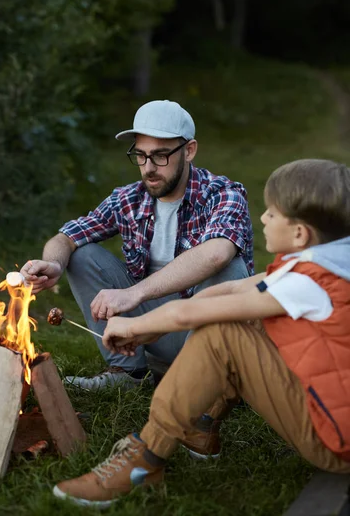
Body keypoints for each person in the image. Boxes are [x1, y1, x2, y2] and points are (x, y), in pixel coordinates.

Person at [52, 158, 350, 508]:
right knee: (234, 321)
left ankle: (146, 459)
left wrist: (134, 325)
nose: (264, 218)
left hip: (334, 441)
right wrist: (154, 328)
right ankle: (200, 426)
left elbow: (191, 312)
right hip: (333, 414)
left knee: (222, 333)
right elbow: (227, 293)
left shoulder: (310, 283)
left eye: (272, 213)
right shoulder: (331, 261)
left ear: (300, 233)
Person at [21, 100, 253, 390]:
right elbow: (67, 236)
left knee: (230, 266)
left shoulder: (223, 193)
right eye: (140, 156)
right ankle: (128, 373)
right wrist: (54, 263)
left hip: (207, 327)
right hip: (154, 329)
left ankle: (204, 380)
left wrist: (134, 293)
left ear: (189, 150)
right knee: (81, 254)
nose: (149, 168)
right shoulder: (129, 199)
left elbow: (217, 254)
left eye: (160, 156)